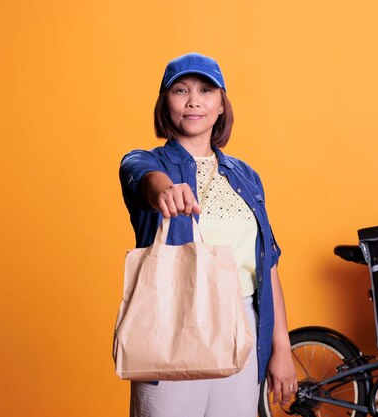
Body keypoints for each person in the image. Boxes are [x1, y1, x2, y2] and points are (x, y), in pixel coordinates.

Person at [119, 52, 297, 417]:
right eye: (180, 90)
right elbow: (140, 176)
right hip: (172, 324)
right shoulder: (148, 162)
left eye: (206, 90)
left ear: (220, 105)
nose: (194, 100)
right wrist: (164, 189)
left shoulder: (246, 176)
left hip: (243, 326)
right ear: (165, 103)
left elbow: (268, 265)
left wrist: (282, 349)